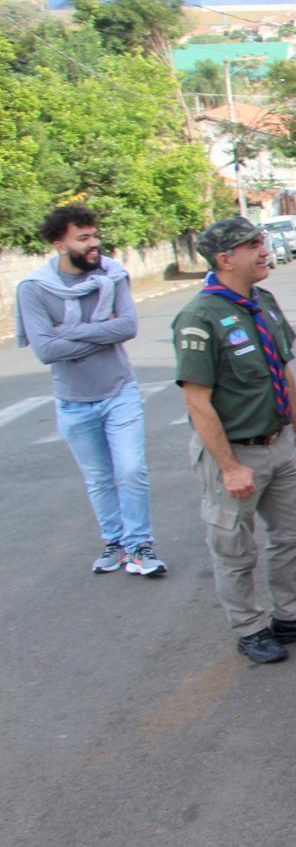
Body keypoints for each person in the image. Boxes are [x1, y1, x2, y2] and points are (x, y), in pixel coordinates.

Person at [172, 216, 296, 664]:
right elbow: (198, 403)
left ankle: (291, 617)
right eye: (253, 246)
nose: (264, 251)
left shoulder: (263, 302)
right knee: (234, 548)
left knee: (294, 535)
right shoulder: (199, 318)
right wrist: (230, 467)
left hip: (280, 444)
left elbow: (282, 370)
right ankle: (250, 628)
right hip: (236, 453)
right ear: (226, 259)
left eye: (262, 242)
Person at [15, 204, 166, 576]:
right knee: (99, 477)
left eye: (95, 235)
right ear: (60, 245)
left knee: (131, 469)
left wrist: (66, 331)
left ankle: (140, 546)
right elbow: (46, 351)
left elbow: (127, 327)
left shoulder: (113, 275)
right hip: (73, 401)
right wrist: (101, 334)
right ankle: (115, 542)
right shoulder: (34, 289)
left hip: (119, 390)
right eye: (83, 238)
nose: (94, 243)